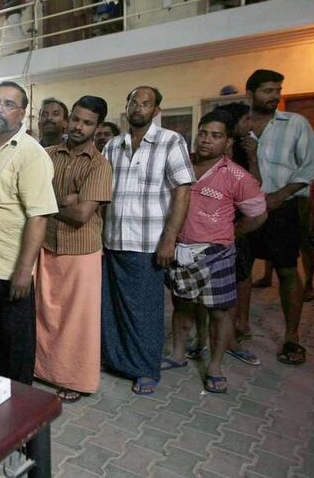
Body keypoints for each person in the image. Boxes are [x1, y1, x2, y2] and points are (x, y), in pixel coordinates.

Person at [163, 110, 267, 393]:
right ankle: (177, 355)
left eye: (216, 135)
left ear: (228, 141)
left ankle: (215, 367)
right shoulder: (183, 165)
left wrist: (231, 233)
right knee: (181, 306)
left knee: (220, 312)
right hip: (181, 249)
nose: (207, 140)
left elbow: (258, 215)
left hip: (216, 253)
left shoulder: (236, 176)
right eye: (204, 133)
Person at [101, 86, 195, 396]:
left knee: (145, 310)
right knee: (113, 308)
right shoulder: (113, 146)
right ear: (126, 106)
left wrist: (170, 238)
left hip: (148, 242)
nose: (138, 108)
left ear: (156, 111)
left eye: (146, 104)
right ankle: (118, 362)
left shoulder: (171, 141)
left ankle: (145, 369)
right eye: (133, 103)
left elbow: (183, 189)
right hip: (113, 239)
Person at [0, 82, 56, 384]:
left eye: (9, 104)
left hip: (9, 269)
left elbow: (39, 215)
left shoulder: (30, 154)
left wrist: (24, 270)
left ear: (22, 114)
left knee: (15, 350)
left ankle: (21, 417)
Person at [36, 96, 112, 402]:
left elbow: (82, 215)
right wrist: (67, 199)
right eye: (76, 119)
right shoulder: (48, 154)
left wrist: (50, 202)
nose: (79, 127)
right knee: (45, 313)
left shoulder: (100, 165)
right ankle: (43, 370)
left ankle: (75, 379)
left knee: (77, 321)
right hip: (46, 242)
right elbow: (29, 194)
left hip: (82, 250)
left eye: (87, 122)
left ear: (97, 127)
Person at [242, 69, 314, 365]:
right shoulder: (241, 124)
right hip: (247, 207)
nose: (274, 96)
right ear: (251, 94)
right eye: (267, 91)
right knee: (242, 268)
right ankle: (241, 326)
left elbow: (311, 166)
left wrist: (280, 195)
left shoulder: (294, 124)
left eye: (277, 90)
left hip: (283, 206)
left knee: (287, 268)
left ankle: (292, 337)